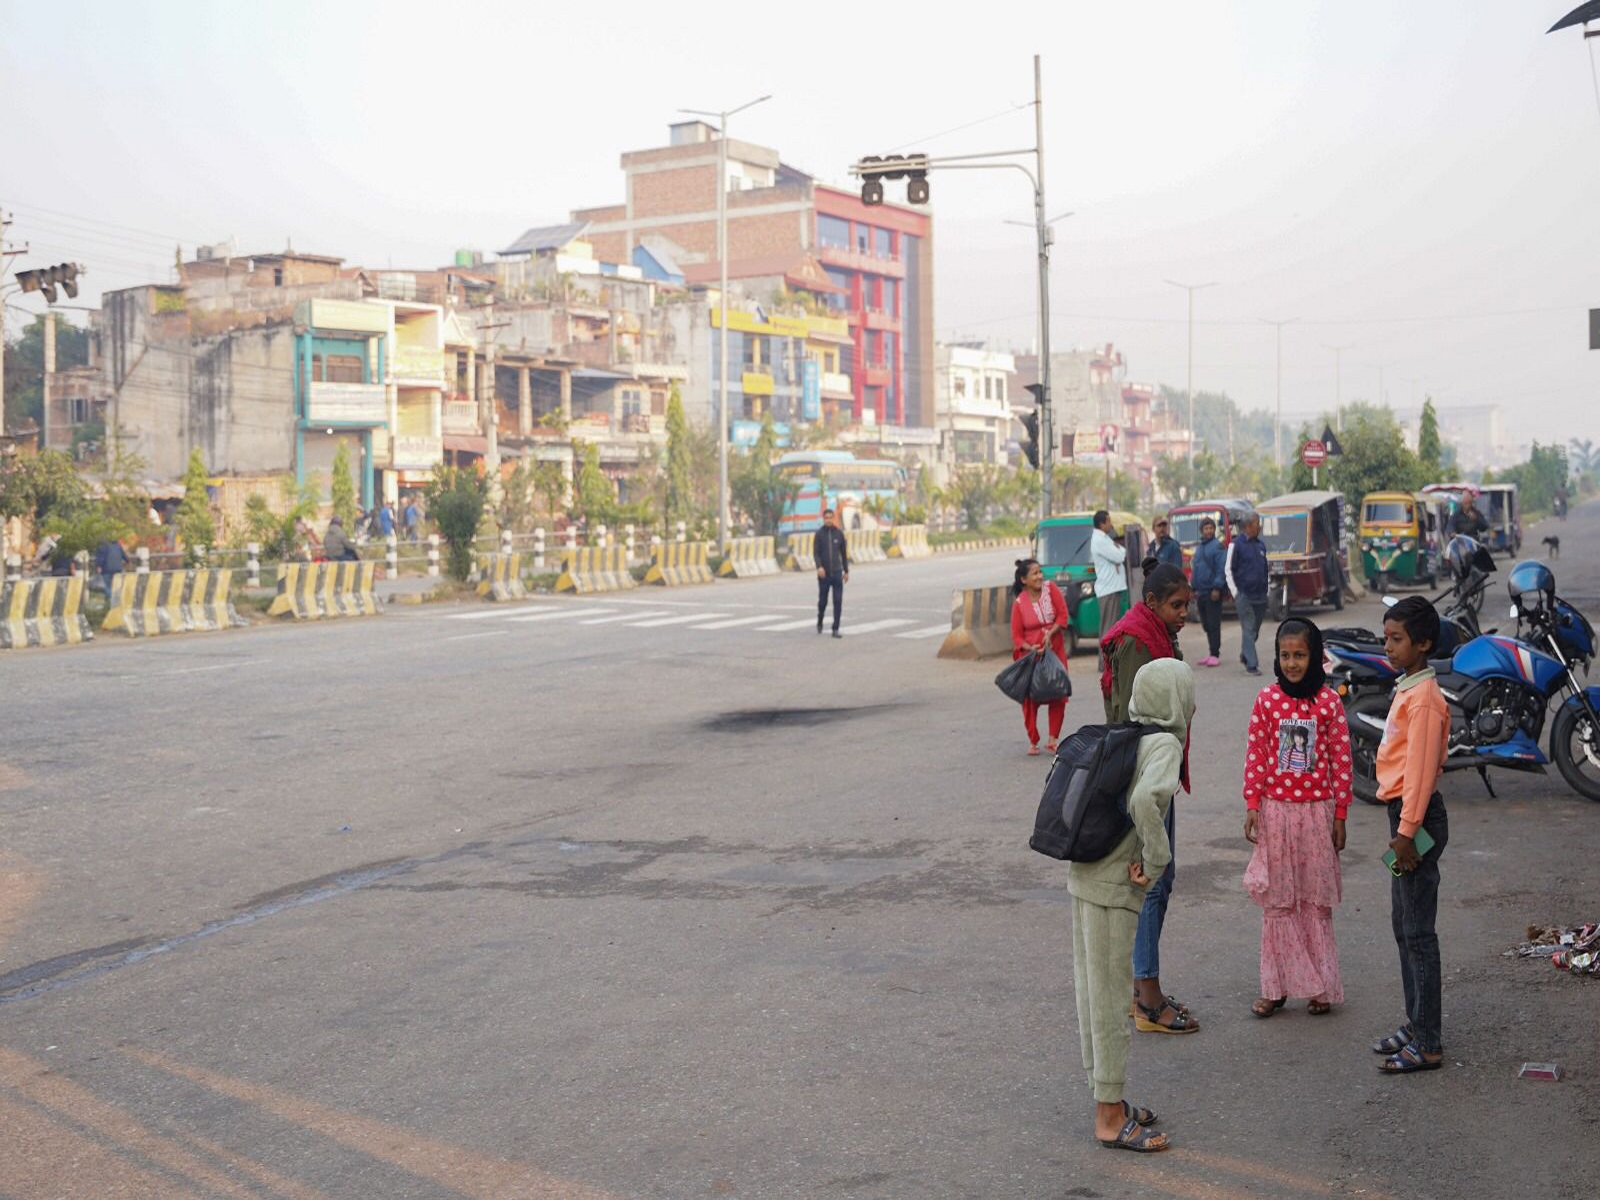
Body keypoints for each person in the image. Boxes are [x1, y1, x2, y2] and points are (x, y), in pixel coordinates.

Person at [1068, 657, 1193, 1154]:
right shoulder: (1163, 744)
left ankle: (1110, 1102)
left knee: (1093, 993)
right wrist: (1156, 859)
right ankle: (1107, 1116)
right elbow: (1146, 802)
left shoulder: (1128, 736)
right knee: (1110, 998)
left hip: (1083, 874)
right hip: (1110, 888)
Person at [1100, 560, 1197, 1034]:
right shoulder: (1138, 640)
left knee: (1161, 879)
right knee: (1153, 880)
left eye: (1187, 605)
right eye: (1176, 605)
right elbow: (1136, 715)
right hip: (1146, 773)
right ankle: (1147, 995)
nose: (1183, 613)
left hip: (1153, 769)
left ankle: (1142, 987)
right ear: (1153, 602)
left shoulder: (1155, 633)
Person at [1241, 618, 1352, 1018]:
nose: (1291, 663)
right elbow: (1255, 754)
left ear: (1315, 657)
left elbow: (1342, 761)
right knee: (1279, 901)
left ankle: (1319, 987)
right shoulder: (1266, 701)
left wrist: (1340, 813)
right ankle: (1275, 986)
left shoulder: (1329, 703)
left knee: (1314, 901)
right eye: (1285, 655)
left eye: (1300, 655)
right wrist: (1253, 804)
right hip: (1276, 814)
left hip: (1317, 816)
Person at [1372, 595, 1450, 1073]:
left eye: (1397, 639)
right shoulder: (1410, 687)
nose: (1389, 647)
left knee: (1419, 932)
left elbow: (1420, 775)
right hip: (1405, 816)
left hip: (1415, 818)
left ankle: (1429, 1042)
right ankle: (1416, 1022)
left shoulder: (1424, 700)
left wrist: (1406, 832)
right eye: (1387, 638)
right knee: (1404, 926)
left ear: (1422, 643)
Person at [1009, 557, 1070, 756]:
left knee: (1059, 693)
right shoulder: (1019, 604)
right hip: (1030, 657)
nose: (1039, 576)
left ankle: (1053, 739)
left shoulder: (1051, 589)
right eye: (1034, 573)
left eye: (1040, 572)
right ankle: (1033, 739)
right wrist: (1030, 647)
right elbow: (1016, 636)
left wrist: (1050, 634)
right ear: (1024, 580)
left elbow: (1062, 616)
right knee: (1029, 699)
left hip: (1055, 652)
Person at [1226, 514, 1270, 677]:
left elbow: (1266, 568)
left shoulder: (1261, 545)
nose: (1260, 526)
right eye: (1257, 523)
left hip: (1260, 595)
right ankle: (1252, 665)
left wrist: (1268, 589)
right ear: (1248, 526)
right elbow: (1228, 569)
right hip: (1244, 595)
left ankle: (1246, 653)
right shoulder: (1236, 545)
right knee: (1248, 627)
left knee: (1254, 630)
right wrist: (1236, 593)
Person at [1190, 517, 1228, 668]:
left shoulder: (1217, 547)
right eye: (1206, 528)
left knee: (1213, 624)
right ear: (1202, 531)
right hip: (1201, 592)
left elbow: (1221, 568)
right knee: (1205, 624)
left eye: (1211, 528)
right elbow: (1196, 569)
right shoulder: (1199, 548)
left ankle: (1215, 654)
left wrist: (1217, 588)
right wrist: (1192, 588)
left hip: (1213, 591)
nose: (1209, 531)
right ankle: (1211, 652)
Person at [1090, 510, 1128, 657]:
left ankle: (1109, 660)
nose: (1111, 524)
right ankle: (1105, 662)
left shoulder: (1104, 538)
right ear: (1102, 524)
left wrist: (1118, 549)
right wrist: (1119, 549)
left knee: (1112, 627)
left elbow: (1119, 553)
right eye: (1109, 521)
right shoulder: (1099, 540)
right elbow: (1120, 556)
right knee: (1108, 628)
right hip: (1108, 589)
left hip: (1112, 588)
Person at [814, 507, 850, 638]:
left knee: (838, 600)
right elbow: (816, 553)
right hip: (824, 574)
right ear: (823, 519)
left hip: (836, 572)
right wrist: (819, 567)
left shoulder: (839, 533)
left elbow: (844, 554)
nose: (828, 520)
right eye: (826, 518)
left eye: (830, 518)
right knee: (823, 601)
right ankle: (820, 620)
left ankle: (835, 628)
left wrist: (846, 571)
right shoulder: (819, 534)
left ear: (833, 518)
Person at [93, 536, 130, 602]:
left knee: (107, 586)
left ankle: (111, 600)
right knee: (116, 586)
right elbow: (125, 556)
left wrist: (99, 566)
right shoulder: (118, 546)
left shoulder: (104, 546)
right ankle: (116, 600)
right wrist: (127, 561)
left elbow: (101, 558)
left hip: (106, 570)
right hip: (118, 570)